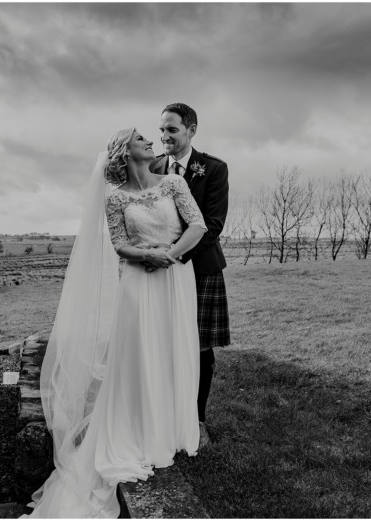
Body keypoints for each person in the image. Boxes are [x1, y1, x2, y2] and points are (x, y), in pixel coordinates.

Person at [25, 128, 207, 518]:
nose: (150, 140)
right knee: (139, 355)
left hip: (174, 278)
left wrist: (169, 256)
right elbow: (117, 242)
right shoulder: (115, 196)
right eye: (141, 137)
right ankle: (137, 432)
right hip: (138, 283)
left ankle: (170, 429)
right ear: (126, 152)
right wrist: (145, 256)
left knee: (173, 349)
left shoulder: (174, 183)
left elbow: (198, 225)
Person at [150, 103, 231, 447]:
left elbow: (212, 226)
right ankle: (164, 413)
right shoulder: (152, 167)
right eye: (162, 130)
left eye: (172, 130)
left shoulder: (213, 168)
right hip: (156, 270)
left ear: (191, 130)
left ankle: (197, 420)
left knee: (198, 347)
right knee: (161, 343)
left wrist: (173, 256)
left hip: (198, 269)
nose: (164, 136)